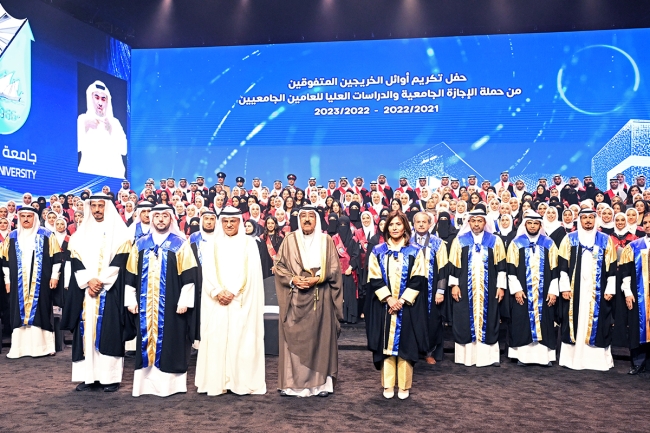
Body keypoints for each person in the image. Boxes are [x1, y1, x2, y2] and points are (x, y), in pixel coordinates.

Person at [124, 204, 198, 397]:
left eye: (165, 216)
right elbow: (130, 274)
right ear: (151, 218)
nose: (161, 220)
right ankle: (144, 386)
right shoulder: (140, 243)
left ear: (171, 219)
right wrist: (130, 299)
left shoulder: (180, 244)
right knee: (145, 341)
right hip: (144, 306)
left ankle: (170, 387)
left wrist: (184, 301)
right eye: (157, 216)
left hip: (172, 305)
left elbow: (190, 276)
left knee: (171, 342)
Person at [61, 194, 132, 392]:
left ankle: (110, 378)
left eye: (101, 205)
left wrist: (100, 282)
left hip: (110, 290)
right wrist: (89, 281)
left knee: (109, 332)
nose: (97, 210)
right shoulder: (78, 235)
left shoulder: (121, 234)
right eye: (94, 206)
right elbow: (76, 261)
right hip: (85, 292)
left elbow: (120, 262)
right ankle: (88, 377)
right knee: (85, 333)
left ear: (107, 207)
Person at [195, 207, 266, 396]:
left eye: (232, 221)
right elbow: (207, 271)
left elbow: (251, 273)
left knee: (241, 340)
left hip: (240, 301)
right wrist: (217, 291)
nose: (228, 225)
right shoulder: (212, 243)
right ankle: (217, 382)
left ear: (239, 222)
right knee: (216, 339)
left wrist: (232, 292)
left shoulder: (249, 244)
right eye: (225, 221)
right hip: (216, 301)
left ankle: (239, 382)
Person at [274, 205, 343, 397]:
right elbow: (279, 266)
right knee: (293, 341)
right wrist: (293, 279)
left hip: (320, 299)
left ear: (317, 220)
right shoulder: (289, 240)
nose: (306, 219)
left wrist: (318, 279)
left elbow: (335, 269)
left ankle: (321, 385)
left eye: (310, 216)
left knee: (321, 339)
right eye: (303, 216)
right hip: (295, 298)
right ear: (298, 219)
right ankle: (291, 385)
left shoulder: (326, 240)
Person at [366, 211, 428, 400]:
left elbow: (418, 278)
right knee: (385, 346)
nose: (394, 228)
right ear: (386, 228)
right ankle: (387, 384)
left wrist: (401, 300)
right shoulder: (378, 251)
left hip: (407, 307)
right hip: (384, 306)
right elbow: (374, 277)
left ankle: (404, 385)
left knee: (405, 346)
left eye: (398, 224)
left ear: (405, 227)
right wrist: (388, 298)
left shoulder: (415, 251)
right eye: (391, 224)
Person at [557, 208, 617, 371]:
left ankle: (596, 361)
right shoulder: (569, 239)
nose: (588, 220)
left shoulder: (605, 240)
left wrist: (610, 288)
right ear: (580, 220)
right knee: (574, 319)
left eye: (591, 217)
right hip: (574, 289)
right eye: (585, 218)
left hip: (598, 289)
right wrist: (564, 287)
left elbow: (611, 267)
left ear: (595, 219)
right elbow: (562, 266)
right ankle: (572, 359)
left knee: (598, 321)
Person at [448, 208, 507, 367]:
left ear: (485, 222)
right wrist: (454, 285)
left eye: (479, 221)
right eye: (473, 221)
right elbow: (453, 266)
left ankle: (489, 358)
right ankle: (466, 358)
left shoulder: (495, 241)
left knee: (490, 317)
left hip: (490, 288)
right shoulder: (459, 241)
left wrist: (501, 287)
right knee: (464, 319)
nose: (476, 224)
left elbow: (501, 266)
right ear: (469, 222)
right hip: (464, 288)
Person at [1, 206, 62, 358]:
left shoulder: (47, 235)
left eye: (29, 216)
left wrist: (55, 276)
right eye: (23, 216)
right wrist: (7, 280)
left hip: (42, 282)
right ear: (19, 218)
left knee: (42, 308)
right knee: (18, 310)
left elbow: (56, 257)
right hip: (17, 282)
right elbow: (5, 261)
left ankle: (44, 347)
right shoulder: (12, 236)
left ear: (34, 217)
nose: (26, 219)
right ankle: (19, 349)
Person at [506, 211, 559, 366]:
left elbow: (555, 270)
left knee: (545, 322)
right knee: (521, 322)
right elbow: (511, 269)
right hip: (522, 292)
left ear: (540, 225)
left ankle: (544, 358)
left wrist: (553, 291)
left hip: (544, 293)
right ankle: (522, 357)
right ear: (525, 225)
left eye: (536, 223)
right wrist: (516, 289)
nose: (533, 226)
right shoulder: (516, 243)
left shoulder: (549, 243)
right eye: (529, 223)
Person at [411, 211, 449, 365]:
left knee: (432, 320)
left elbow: (443, 269)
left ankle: (429, 352)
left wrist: (440, 290)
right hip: (411, 287)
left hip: (431, 288)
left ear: (430, 224)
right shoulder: (407, 241)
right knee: (412, 319)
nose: (421, 224)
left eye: (424, 222)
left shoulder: (438, 243)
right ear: (413, 224)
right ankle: (412, 351)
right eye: (418, 222)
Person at [618, 213, 650, 375]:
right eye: (645, 222)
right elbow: (625, 272)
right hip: (639, 295)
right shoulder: (634, 246)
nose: (648, 225)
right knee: (638, 327)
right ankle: (638, 362)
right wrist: (628, 292)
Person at [77, 81, 127, 179]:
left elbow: (124, 150)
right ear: (90, 98)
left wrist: (112, 131)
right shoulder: (82, 119)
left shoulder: (115, 122)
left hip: (114, 177)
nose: (100, 103)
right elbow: (75, 148)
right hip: (89, 177)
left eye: (103, 99)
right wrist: (85, 127)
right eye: (96, 97)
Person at [332, 216, 360, 324]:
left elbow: (356, 255)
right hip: (337, 271)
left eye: (345, 225)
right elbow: (331, 255)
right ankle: (340, 316)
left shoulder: (354, 239)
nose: (343, 227)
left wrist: (351, 267)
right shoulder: (334, 239)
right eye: (341, 225)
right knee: (339, 294)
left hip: (349, 271)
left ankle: (351, 317)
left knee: (349, 294)